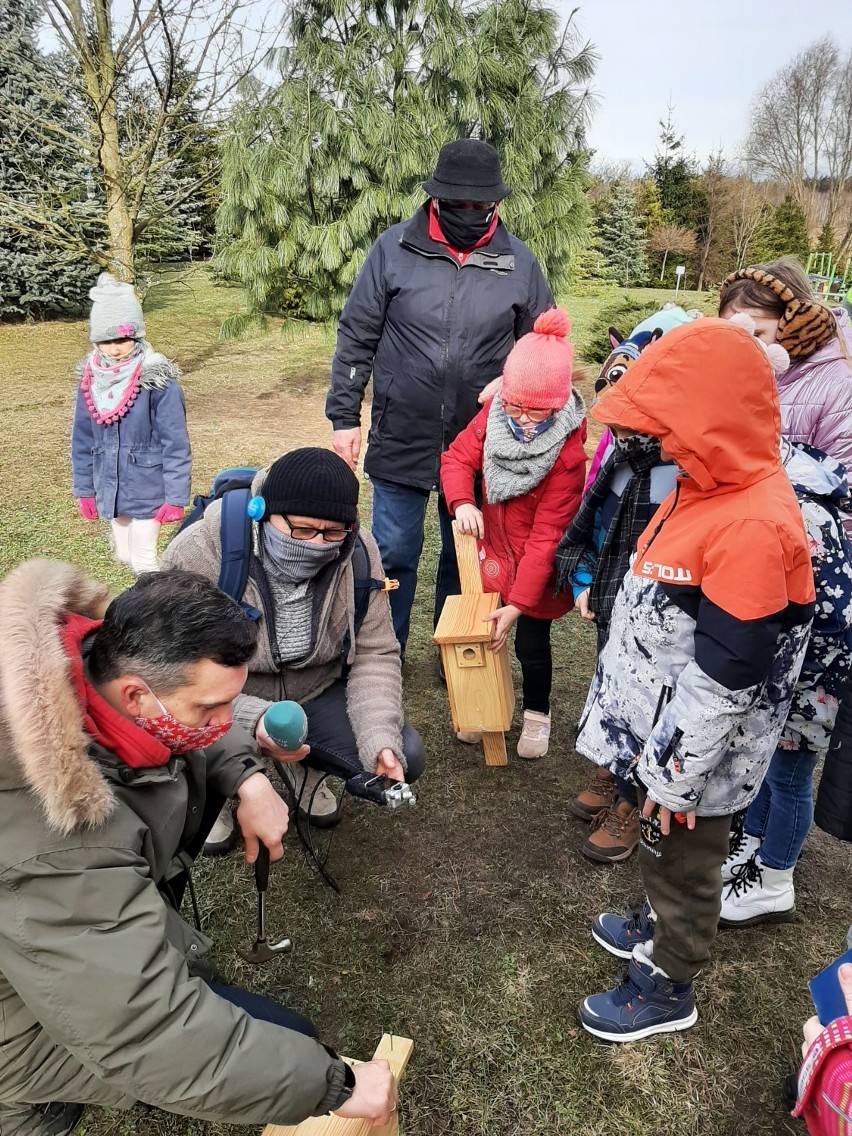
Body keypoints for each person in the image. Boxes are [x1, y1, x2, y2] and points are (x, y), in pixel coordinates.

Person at [0, 562, 396, 1136]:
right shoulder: (54, 840)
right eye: (209, 711)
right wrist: (337, 1086)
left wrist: (247, 775)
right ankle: (24, 1108)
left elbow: (199, 724)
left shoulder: (87, 667)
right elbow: (144, 1032)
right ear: (136, 696)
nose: (226, 722)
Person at [572, 317, 815, 1042]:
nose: (660, 444)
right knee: (660, 849)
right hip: (667, 746)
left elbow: (726, 677)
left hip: (697, 759)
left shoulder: (751, 524)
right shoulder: (703, 486)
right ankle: (653, 921)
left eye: (672, 427)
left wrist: (674, 779)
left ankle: (669, 979)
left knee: (686, 862)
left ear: (713, 422)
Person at [326, 138, 554, 656]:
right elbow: (357, 332)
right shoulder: (393, 249)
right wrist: (345, 416)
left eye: (480, 206)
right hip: (402, 430)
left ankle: (456, 656)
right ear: (437, 198)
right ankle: (385, 653)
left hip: (482, 442)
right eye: (459, 204)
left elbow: (543, 342)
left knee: (465, 555)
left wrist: (515, 381)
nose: (470, 213)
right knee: (395, 553)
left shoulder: (519, 262)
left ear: (496, 203)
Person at [162, 447, 425, 841]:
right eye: (302, 530)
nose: (318, 544)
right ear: (261, 512)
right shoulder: (199, 552)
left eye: (332, 533)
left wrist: (379, 738)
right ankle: (217, 789)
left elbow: (376, 651)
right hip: (221, 700)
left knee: (406, 751)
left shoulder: (358, 550)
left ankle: (308, 772)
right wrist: (252, 717)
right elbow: (169, 674)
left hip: (315, 690)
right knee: (179, 724)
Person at [555, 306, 696, 863]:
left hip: (662, 622)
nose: (615, 426)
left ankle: (635, 804)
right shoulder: (619, 458)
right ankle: (612, 772)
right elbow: (587, 529)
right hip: (612, 603)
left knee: (650, 708)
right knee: (612, 691)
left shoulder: (675, 471)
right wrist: (585, 581)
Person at [440, 308, 586, 758]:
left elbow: (546, 538)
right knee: (487, 634)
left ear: (558, 404)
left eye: (536, 411)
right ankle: (484, 705)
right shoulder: (493, 415)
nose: (523, 419)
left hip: (534, 572)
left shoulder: (567, 458)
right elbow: (456, 458)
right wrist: (463, 502)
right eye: (516, 406)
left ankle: (537, 716)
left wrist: (520, 604)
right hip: (494, 554)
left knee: (529, 642)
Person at [719, 435, 852, 926]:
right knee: (768, 761)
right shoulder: (781, 493)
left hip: (815, 671)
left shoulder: (799, 512)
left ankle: (776, 878)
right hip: (793, 666)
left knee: (789, 774)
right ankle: (753, 845)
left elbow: (823, 613)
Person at [719, 258, 852, 532]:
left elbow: (845, 489)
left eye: (757, 333)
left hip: (804, 542)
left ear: (797, 328)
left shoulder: (839, 384)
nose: (741, 345)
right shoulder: (738, 373)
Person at [71, 273, 191, 573]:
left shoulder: (156, 379)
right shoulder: (90, 379)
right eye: (105, 341)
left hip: (149, 487)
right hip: (109, 485)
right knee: (124, 555)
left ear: (135, 335)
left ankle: (154, 614)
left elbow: (175, 442)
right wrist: (84, 490)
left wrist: (176, 497)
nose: (114, 349)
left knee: (144, 562)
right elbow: (82, 439)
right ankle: (160, 596)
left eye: (122, 339)